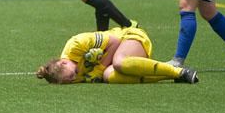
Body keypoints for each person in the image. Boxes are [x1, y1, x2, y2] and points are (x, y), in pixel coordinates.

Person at [36, 24, 198, 84]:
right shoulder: (67, 76)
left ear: (63, 62)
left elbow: (114, 42)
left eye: (72, 75)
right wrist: (101, 72)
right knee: (109, 76)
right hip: (124, 57)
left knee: (119, 62)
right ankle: (171, 76)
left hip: (130, 38)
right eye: (70, 81)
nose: (75, 79)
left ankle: (179, 70)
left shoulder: (76, 44)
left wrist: (98, 68)